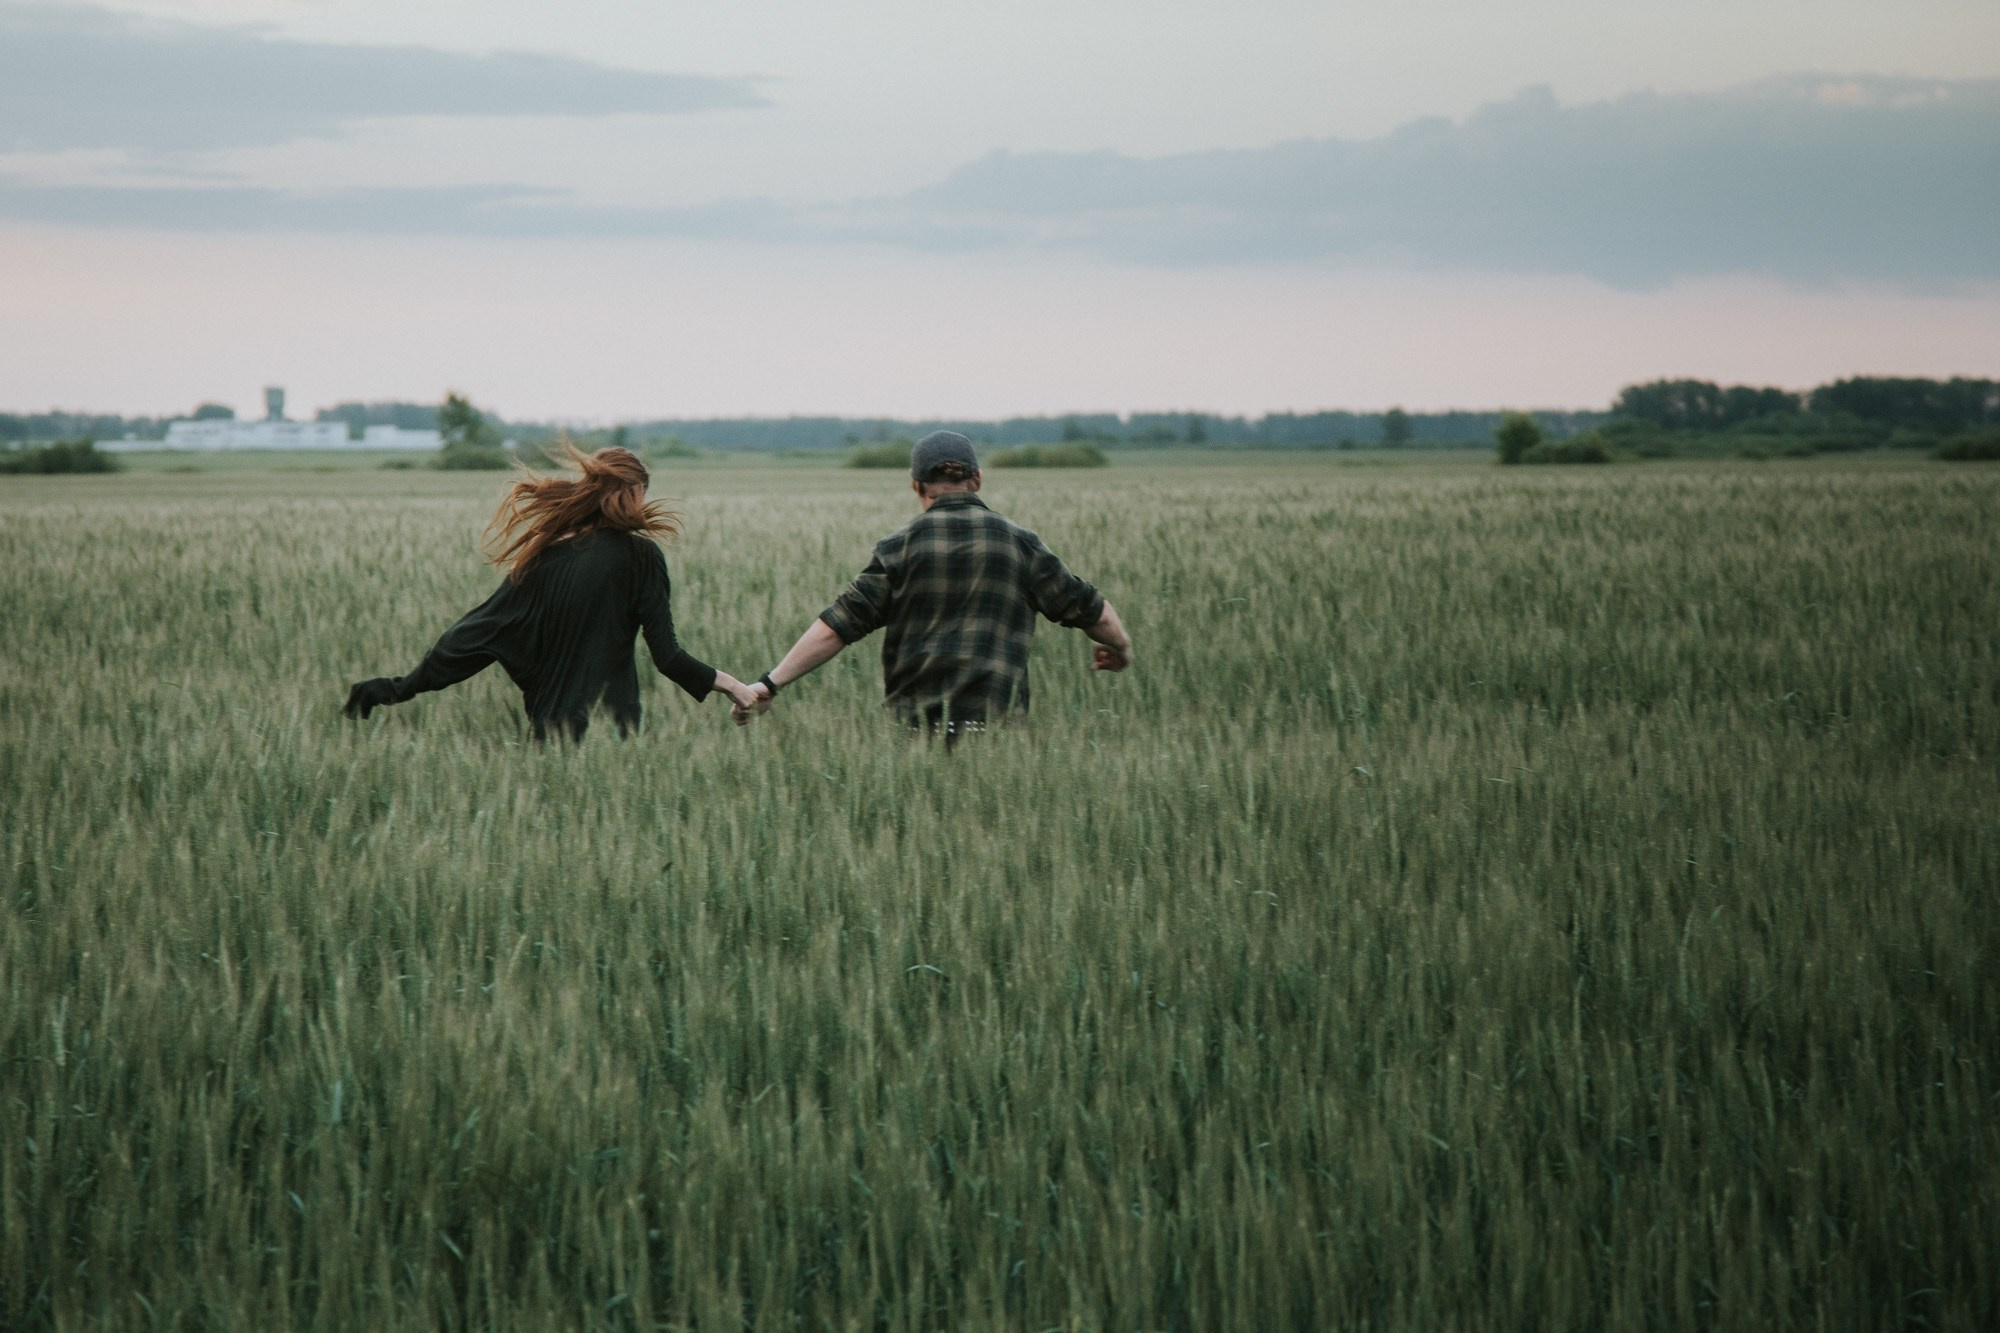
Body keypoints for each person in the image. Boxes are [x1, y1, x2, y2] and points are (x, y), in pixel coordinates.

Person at [343, 442, 760, 739]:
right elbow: (668, 657)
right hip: (615, 729)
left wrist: (401, 687)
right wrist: (737, 688)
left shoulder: (544, 557)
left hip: (549, 729)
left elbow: (474, 633)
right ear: (631, 495)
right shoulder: (642, 557)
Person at [740, 430, 1131, 735]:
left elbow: (836, 627)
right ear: (977, 479)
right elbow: (1091, 609)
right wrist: (1120, 647)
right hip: (997, 728)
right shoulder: (1020, 545)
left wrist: (769, 684)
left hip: (914, 730)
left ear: (917, 485)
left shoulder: (899, 548)